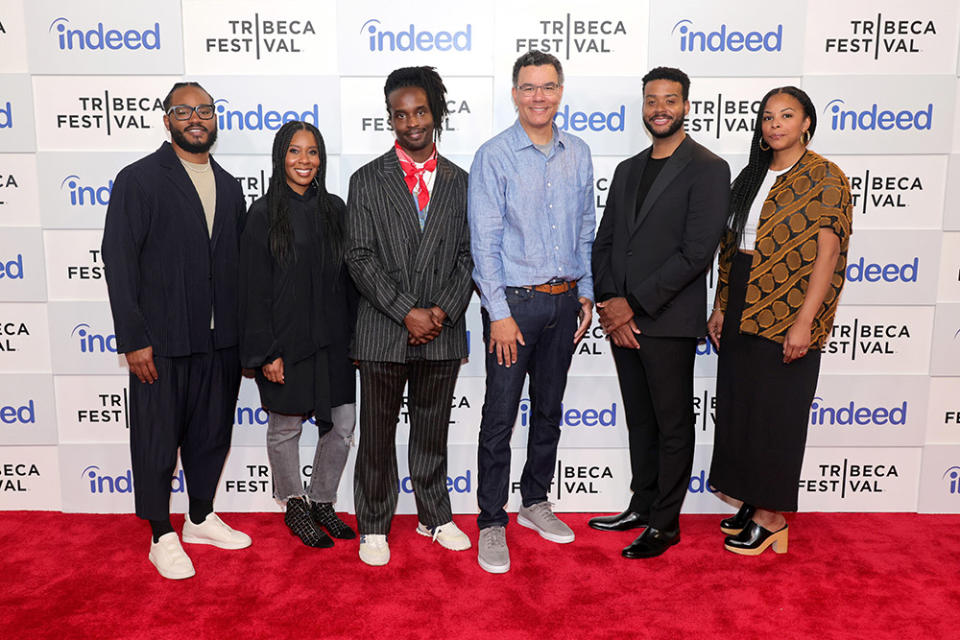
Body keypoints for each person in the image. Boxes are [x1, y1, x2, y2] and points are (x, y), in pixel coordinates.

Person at [101, 81, 251, 580]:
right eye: (183, 110)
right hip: (160, 342)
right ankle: (161, 532)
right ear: (166, 120)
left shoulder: (230, 186)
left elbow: (233, 266)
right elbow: (119, 261)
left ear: (215, 118)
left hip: (219, 340)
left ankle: (201, 516)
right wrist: (134, 338)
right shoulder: (139, 179)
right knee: (157, 440)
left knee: (211, 435)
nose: (195, 118)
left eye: (204, 110)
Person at [590, 67, 730, 559]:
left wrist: (635, 305)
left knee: (672, 425)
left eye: (671, 100)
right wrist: (611, 306)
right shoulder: (629, 168)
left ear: (687, 106)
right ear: (643, 106)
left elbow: (696, 254)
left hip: (667, 321)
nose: (660, 109)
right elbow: (606, 242)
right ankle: (642, 504)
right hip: (621, 321)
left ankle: (666, 524)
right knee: (640, 422)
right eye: (652, 100)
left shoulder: (708, 168)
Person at [707, 86, 853, 556]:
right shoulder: (750, 176)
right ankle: (754, 499)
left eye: (786, 115)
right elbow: (729, 250)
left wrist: (805, 322)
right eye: (768, 116)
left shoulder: (826, 177)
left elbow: (828, 256)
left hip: (789, 301)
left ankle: (772, 518)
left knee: (777, 413)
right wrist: (720, 305)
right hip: (743, 292)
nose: (775, 124)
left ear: (807, 122)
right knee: (741, 407)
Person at [469, 51, 595, 574]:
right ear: (515, 94)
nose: (539, 96)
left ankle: (535, 501)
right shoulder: (494, 154)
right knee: (500, 415)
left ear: (560, 91)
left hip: (566, 301)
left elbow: (586, 226)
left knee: (549, 409)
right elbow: (485, 241)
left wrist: (586, 290)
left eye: (548, 86)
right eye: (528, 87)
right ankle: (492, 520)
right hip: (513, 307)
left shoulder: (579, 152)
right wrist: (497, 312)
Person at [345, 66, 474, 567]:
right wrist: (406, 312)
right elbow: (358, 256)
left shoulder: (463, 182)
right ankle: (373, 525)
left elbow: (471, 254)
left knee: (431, 433)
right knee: (376, 437)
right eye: (400, 114)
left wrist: (438, 311)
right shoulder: (366, 180)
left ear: (436, 112)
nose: (411, 122)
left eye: (420, 111)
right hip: (383, 331)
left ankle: (434, 516)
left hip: (441, 332)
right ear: (390, 119)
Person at [239, 121, 358, 548]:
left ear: (321, 158)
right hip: (285, 345)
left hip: (334, 341)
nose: (303, 160)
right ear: (280, 157)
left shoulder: (337, 210)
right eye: (294, 151)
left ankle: (323, 500)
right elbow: (252, 288)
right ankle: (293, 504)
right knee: (286, 428)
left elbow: (350, 281)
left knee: (342, 424)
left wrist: (356, 340)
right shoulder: (262, 213)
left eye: (311, 152)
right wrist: (266, 351)